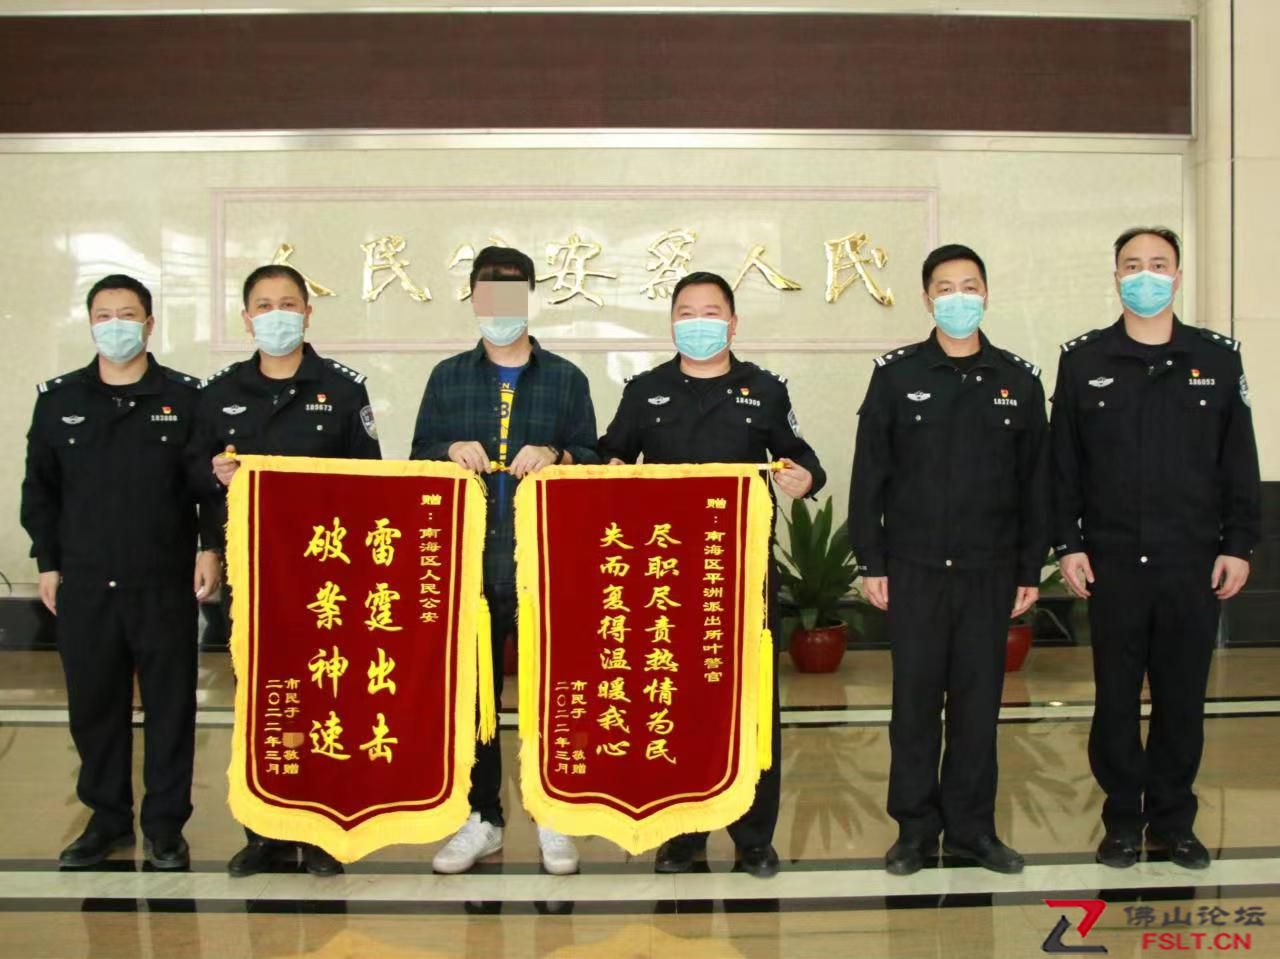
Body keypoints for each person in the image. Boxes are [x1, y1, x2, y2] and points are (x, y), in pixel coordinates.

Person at [598, 270, 824, 879]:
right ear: (672, 323)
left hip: (744, 568)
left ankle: (754, 837)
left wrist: (805, 477)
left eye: (711, 312)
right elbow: (609, 452)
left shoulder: (764, 389)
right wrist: (608, 467)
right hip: (665, 576)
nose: (699, 322)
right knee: (676, 697)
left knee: (753, 699)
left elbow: (800, 454)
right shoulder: (645, 390)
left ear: (733, 322)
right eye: (687, 312)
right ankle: (682, 834)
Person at [1051, 227, 1260, 870]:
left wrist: (1239, 544)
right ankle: (1121, 821)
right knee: (1115, 697)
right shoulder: (1083, 360)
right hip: (1111, 561)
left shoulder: (1216, 359)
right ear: (1116, 277)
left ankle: (1174, 821)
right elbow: (1064, 465)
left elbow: (1238, 460)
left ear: (1177, 275)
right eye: (1133, 265)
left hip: (1191, 561)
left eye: (1159, 265)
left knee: (1181, 697)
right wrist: (1068, 544)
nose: (1146, 276)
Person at [848, 244, 1049, 876]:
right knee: (913, 706)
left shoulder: (1019, 380)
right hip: (914, 568)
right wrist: (871, 560)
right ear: (926, 298)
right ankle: (913, 830)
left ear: (986, 294)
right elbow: (870, 473)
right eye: (945, 287)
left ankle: (972, 830)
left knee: (977, 706)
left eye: (969, 286)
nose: (958, 297)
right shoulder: (896, 374)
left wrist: (1029, 569)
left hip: (991, 570)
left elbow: (1036, 483)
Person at [21, 274, 221, 871]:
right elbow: (40, 491)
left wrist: (210, 548)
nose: (116, 326)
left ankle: (165, 826)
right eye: (104, 316)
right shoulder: (59, 400)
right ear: (90, 324)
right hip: (84, 583)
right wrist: (47, 561)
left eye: (128, 315)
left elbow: (208, 486)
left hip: (163, 582)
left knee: (171, 707)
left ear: (150, 324)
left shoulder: (185, 398)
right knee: (94, 707)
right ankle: (106, 819)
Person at [411, 246, 600, 876]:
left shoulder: (566, 378)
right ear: (473, 298)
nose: (499, 308)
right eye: (488, 293)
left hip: (545, 565)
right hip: (469, 563)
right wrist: (447, 450)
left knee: (554, 693)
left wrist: (558, 456)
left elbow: (595, 459)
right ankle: (481, 819)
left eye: (511, 293)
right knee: (475, 701)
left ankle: (555, 814)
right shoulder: (447, 377)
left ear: (529, 298)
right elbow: (417, 458)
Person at [192, 263, 382, 877]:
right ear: (246, 318)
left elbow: (369, 481)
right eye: (264, 305)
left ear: (307, 313)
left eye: (289, 303)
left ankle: (322, 831)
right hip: (252, 573)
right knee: (262, 698)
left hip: (327, 573)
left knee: (327, 695)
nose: (277, 315)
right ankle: (264, 832)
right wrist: (211, 518)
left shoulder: (343, 390)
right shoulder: (219, 393)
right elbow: (193, 479)